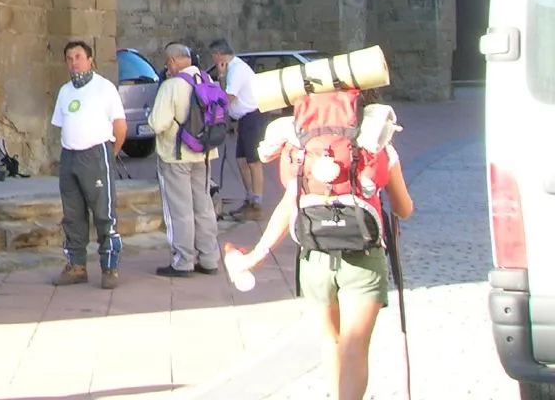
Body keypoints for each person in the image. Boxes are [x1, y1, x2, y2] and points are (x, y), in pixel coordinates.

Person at [224, 96, 414, 400]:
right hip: (363, 260)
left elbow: (289, 206)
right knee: (355, 347)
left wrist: (256, 256)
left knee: (331, 343)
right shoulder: (378, 147)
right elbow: (403, 209)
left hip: (315, 259)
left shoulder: (301, 151)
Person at [50, 40, 126, 289]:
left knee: (104, 213)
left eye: (78, 57)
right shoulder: (64, 91)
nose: (74, 62)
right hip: (70, 157)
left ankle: (110, 268)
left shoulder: (104, 88)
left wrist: (109, 154)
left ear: (90, 59)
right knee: (72, 215)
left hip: (96, 154)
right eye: (69, 58)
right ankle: (76, 266)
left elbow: (120, 126)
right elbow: (61, 124)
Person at [149, 42, 221, 278]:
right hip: (205, 154)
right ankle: (209, 258)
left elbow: (157, 123)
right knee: (204, 206)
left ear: (172, 61)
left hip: (176, 154)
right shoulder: (207, 80)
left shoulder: (172, 85)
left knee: (180, 209)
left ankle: (183, 261)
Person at [209, 38, 266, 220]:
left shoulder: (238, 69)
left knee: (253, 161)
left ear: (218, 55)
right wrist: (221, 75)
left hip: (253, 116)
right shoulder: (230, 69)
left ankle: (257, 203)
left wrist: (214, 114)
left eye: (213, 55)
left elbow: (228, 98)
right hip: (244, 118)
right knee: (242, 161)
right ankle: (250, 198)